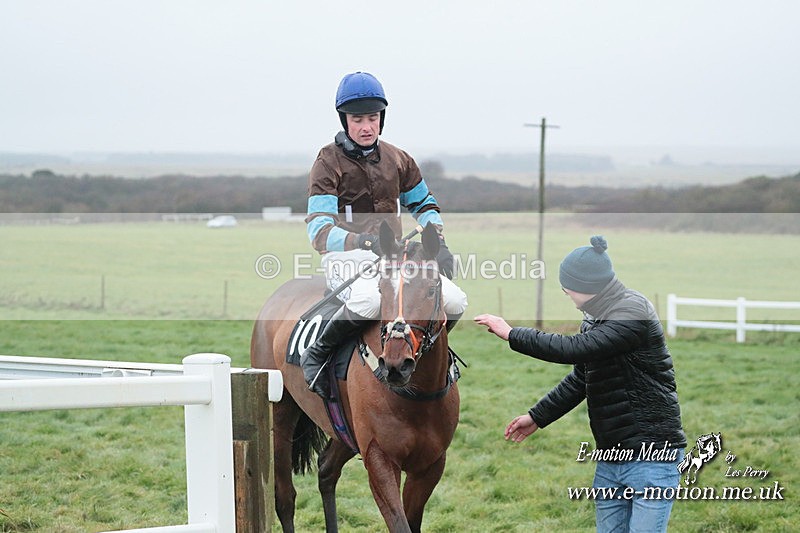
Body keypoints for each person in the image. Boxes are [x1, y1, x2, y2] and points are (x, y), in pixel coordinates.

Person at [474, 235, 686, 533]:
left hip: (652, 456)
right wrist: (537, 416)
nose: (565, 293)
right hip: (612, 456)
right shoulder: (595, 317)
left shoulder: (632, 313)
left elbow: (573, 349)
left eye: (567, 286)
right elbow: (581, 378)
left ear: (588, 286)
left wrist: (512, 334)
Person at [301, 71, 468, 397]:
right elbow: (318, 230)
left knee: (455, 300)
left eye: (373, 118)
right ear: (344, 120)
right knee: (369, 300)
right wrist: (362, 241)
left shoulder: (398, 159)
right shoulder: (327, 161)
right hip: (345, 256)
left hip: (394, 257)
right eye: (358, 119)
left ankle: (426, 351)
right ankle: (317, 354)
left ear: (382, 118)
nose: (366, 127)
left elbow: (425, 205)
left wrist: (439, 241)